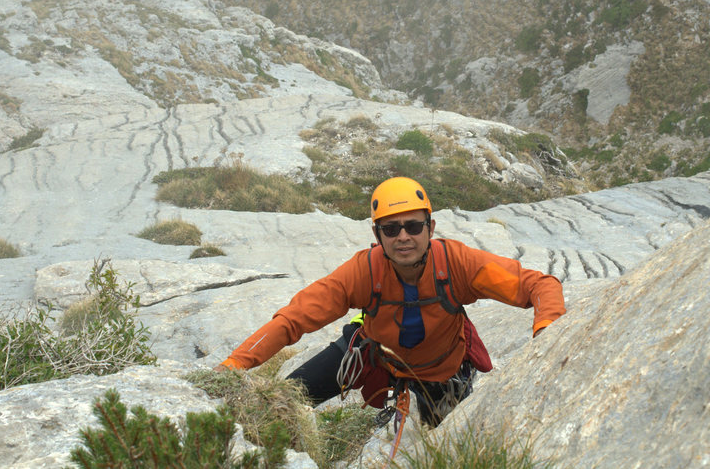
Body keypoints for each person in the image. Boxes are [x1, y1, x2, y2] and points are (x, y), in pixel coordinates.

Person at [215, 176, 566, 426]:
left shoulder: (459, 265)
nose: (403, 237)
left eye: (413, 226)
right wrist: (234, 365)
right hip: (373, 355)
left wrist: (546, 334)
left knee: (441, 447)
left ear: (431, 227)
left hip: (443, 373)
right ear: (376, 234)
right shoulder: (363, 271)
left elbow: (539, 285)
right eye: (390, 228)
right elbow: (293, 320)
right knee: (285, 400)